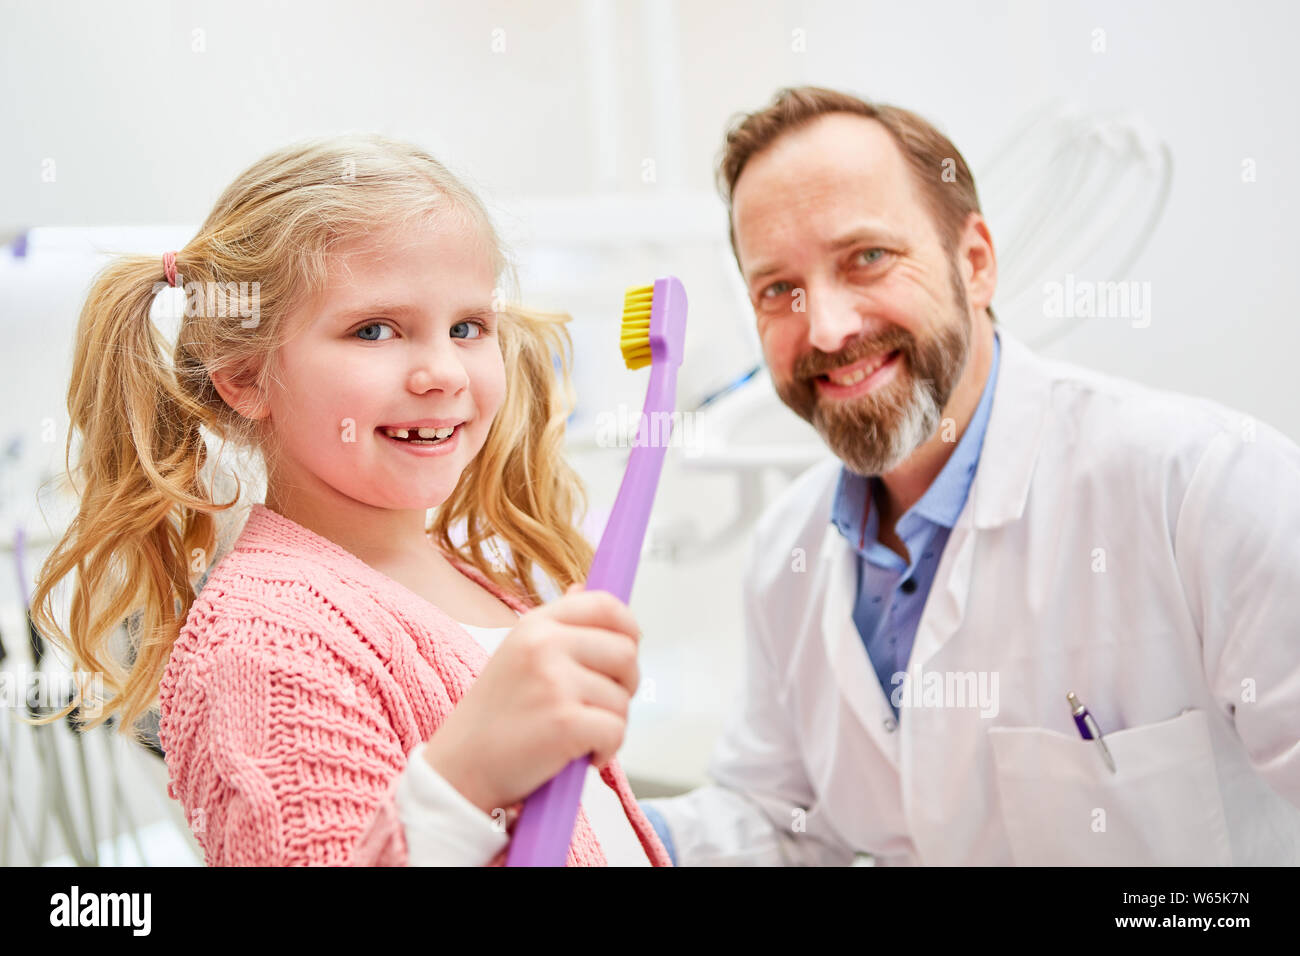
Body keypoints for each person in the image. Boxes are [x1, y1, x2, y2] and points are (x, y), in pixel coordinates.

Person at [640, 86, 1300, 865]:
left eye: (868, 258)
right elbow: (780, 823)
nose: (826, 327)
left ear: (975, 262)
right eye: (778, 289)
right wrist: (596, 831)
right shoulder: (788, 550)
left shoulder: (1204, 487)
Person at [29, 133, 672, 867]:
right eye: (374, 329)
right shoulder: (266, 645)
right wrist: (466, 781)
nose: (442, 372)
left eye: (468, 327)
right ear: (244, 376)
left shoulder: (469, 580)